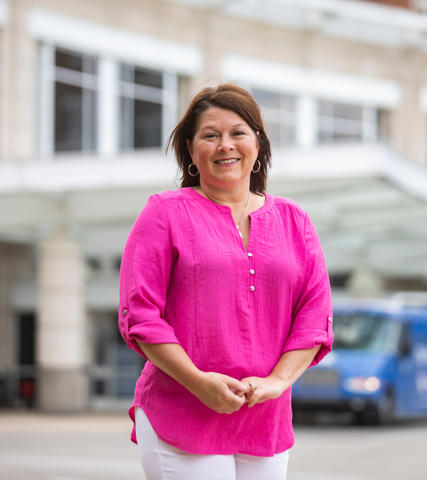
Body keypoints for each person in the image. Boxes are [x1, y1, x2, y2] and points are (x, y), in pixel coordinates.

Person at [118, 84, 334, 480]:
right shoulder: (164, 213)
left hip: (265, 416)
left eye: (237, 133)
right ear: (191, 148)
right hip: (182, 408)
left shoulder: (294, 220)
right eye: (210, 135)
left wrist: (276, 382)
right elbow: (140, 316)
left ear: (257, 144)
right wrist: (198, 383)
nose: (225, 145)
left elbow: (314, 317)